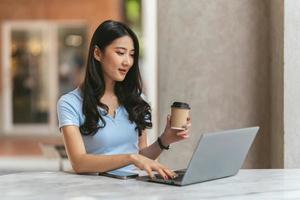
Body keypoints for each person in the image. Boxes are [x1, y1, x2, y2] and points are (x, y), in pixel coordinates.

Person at [57, 20, 191, 180]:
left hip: (134, 189)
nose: (127, 61)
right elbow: (79, 163)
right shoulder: (69, 103)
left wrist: (165, 139)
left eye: (132, 54)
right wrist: (131, 158)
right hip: (94, 192)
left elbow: (143, 156)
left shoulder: (137, 100)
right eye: (120, 53)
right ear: (98, 53)